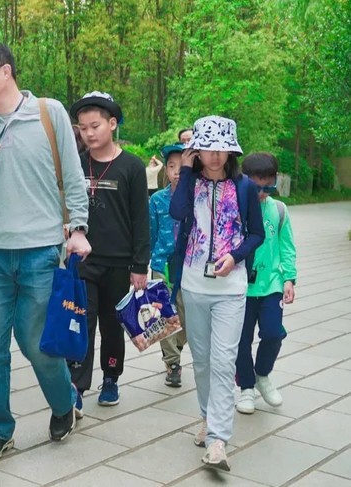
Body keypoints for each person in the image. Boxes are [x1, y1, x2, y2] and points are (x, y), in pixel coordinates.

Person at [0, 42, 91, 464]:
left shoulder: (49, 113)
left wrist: (79, 229)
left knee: (37, 344)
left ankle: (63, 403)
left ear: (5, 71)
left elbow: (73, 175)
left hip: (41, 250)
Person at [169, 115, 264, 471]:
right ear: (198, 151)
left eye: (222, 149)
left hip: (231, 287)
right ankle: (208, 418)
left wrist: (235, 256)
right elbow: (177, 212)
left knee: (224, 362)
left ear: (231, 151)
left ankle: (218, 441)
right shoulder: (190, 182)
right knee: (203, 360)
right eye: (208, 148)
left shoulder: (244, 187)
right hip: (193, 284)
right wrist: (186, 171)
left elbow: (257, 234)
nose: (215, 155)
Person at [68, 92, 150, 411]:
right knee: (81, 320)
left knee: (112, 324)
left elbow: (140, 220)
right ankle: (77, 384)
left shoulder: (132, 166)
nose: (89, 133)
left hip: (119, 262)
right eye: (83, 127)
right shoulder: (76, 163)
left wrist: (140, 265)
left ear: (112, 124)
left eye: (95, 126)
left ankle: (111, 377)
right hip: (83, 260)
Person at [235, 152, 297, 414]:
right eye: (255, 187)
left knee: (273, 333)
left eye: (267, 187)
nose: (261, 193)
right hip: (241, 287)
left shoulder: (279, 210)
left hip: (271, 285)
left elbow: (287, 247)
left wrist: (289, 278)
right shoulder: (235, 207)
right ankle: (246, 388)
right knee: (241, 340)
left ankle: (262, 374)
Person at [149, 143, 187, 387]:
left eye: (182, 167)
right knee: (164, 314)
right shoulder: (157, 200)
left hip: (187, 266)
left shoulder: (196, 198)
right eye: (172, 166)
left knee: (186, 316)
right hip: (161, 264)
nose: (176, 172)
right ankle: (172, 362)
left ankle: (176, 346)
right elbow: (150, 233)